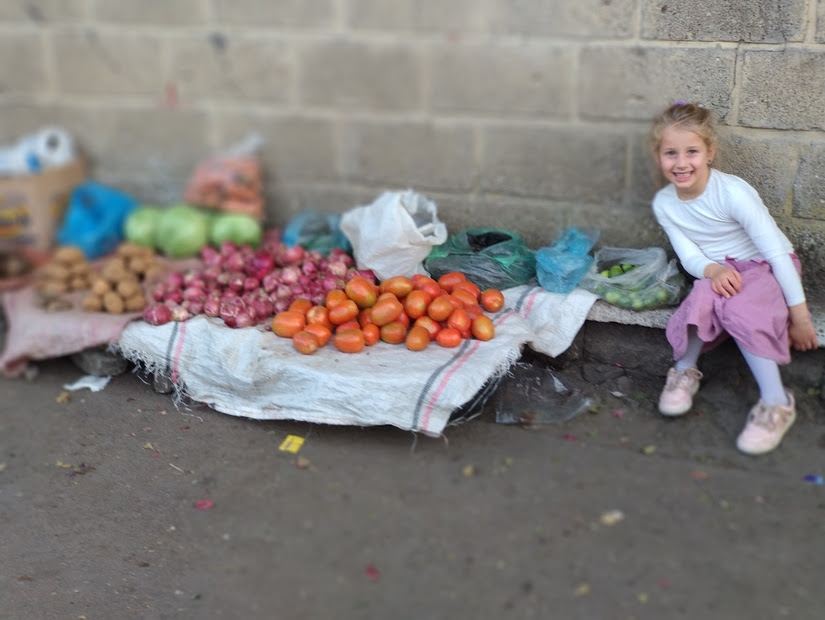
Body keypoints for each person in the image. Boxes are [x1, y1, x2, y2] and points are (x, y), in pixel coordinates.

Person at [648, 101, 819, 455]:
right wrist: (712, 270)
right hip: (720, 270)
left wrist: (800, 318)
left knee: (741, 310)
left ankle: (776, 402)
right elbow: (690, 255)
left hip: (768, 266)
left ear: (710, 152)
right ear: (658, 156)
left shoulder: (732, 193)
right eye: (670, 153)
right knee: (701, 297)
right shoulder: (664, 203)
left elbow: (776, 253)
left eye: (692, 151)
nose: (681, 163)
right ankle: (684, 371)